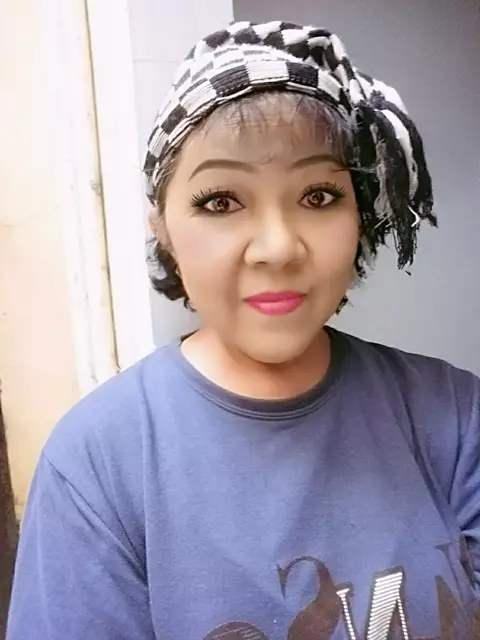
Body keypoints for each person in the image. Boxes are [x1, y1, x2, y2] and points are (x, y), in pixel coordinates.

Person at [6, 20, 480, 640]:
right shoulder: (96, 465)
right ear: (162, 226)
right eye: (221, 201)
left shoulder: (455, 415)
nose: (278, 248)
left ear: (359, 215)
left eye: (318, 195)